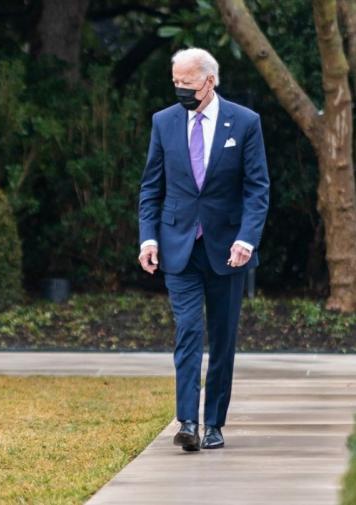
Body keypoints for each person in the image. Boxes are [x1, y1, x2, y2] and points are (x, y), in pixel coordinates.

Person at [137, 48, 269, 451]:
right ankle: (188, 422)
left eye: (187, 84)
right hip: (179, 247)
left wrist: (247, 238)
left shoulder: (245, 122)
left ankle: (214, 423)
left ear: (209, 81)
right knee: (189, 332)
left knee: (223, 338)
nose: (180, 89)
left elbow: (257, 188)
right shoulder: (164, 122)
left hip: (228, 249)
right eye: (175, 82)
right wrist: (148, 237)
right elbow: (151, 187)